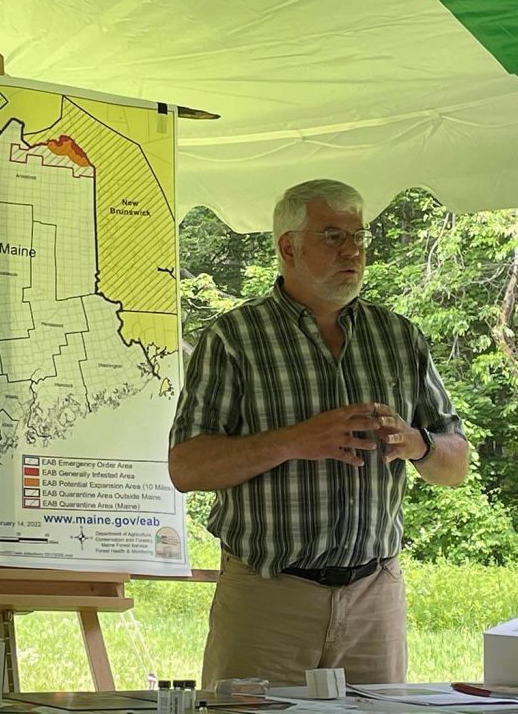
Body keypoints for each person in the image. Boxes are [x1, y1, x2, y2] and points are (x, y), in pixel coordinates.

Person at [168, 179, 469, 687]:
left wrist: (416, 443)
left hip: (376, 596)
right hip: (269, 597)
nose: (353, 249)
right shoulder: (235, 338)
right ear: (288, 247)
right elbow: (187, 467)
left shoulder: (398, 336)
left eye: (358, 236)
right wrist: (293, 440)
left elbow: (456, 464)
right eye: (332, 236)